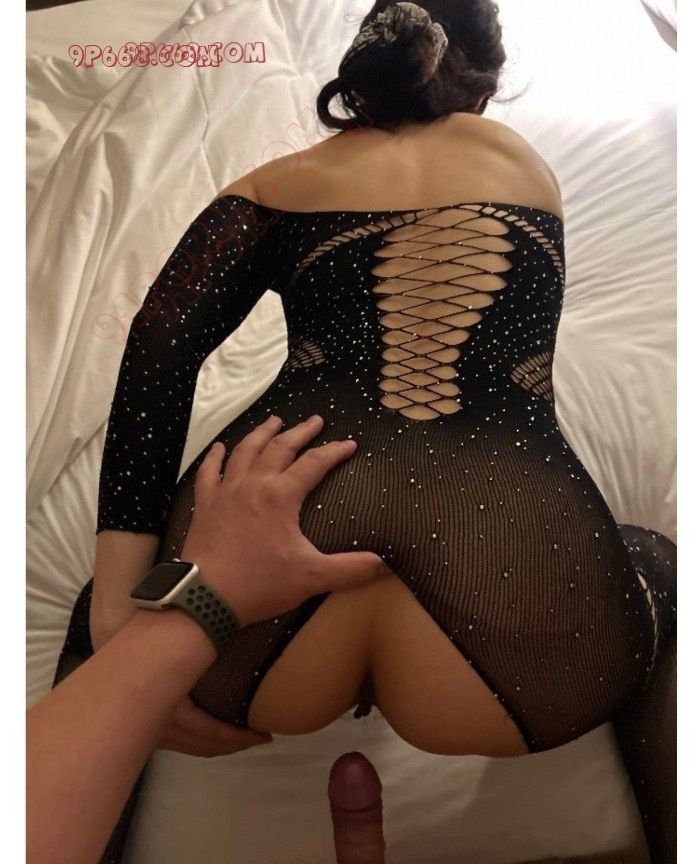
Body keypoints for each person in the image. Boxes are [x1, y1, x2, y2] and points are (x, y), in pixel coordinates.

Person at [54, 0, 676, 860]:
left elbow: (159, 348)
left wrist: (118, 624)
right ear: (483, 84)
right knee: (656, 567)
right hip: (519, 616)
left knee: (114, 598)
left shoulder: (276, 183)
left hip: (249, 615)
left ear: (359, 80)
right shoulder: (522, 168)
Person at [29, 416, 389, 864]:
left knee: (105, 608)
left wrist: (120, 625)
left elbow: (157, 374)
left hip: (230, 656)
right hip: (474, 654)